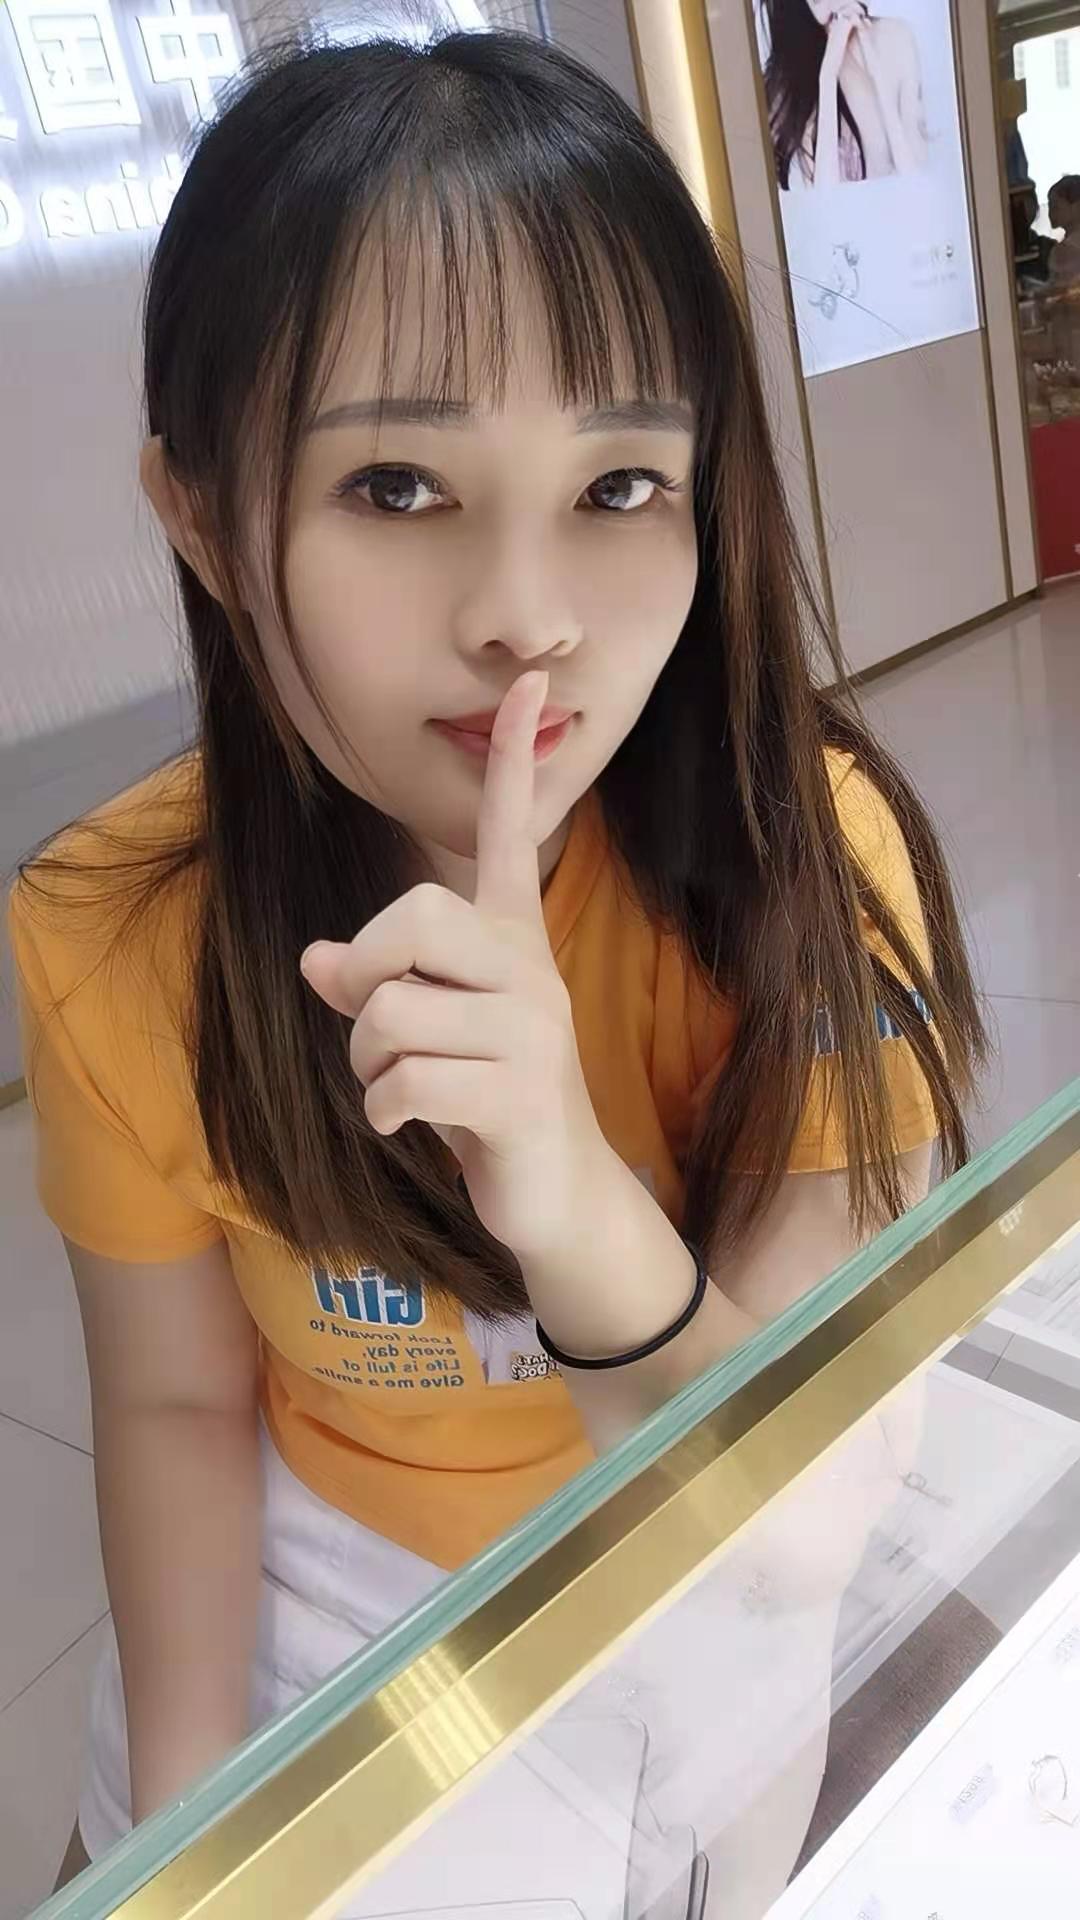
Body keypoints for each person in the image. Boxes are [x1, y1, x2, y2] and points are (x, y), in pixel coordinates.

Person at [10, 29, 984, 1899]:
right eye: (395, 486)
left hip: (703, 1531)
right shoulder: (116, 923)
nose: (528, 620)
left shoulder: (804, 861)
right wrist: (203, 1841)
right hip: (338, 1559)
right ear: (203, 519)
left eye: (619, 486)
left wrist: (567, 1190)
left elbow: (795, 1537)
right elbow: (177, 1406)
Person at [762, 0, 929, 189]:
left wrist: (878, 78)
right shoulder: (786, 83)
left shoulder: (896, 37)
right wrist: (828, 77)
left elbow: (917, 183)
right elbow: (823, 200)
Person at [1048, 173, 1080, 288]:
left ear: (1076, 207)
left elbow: (1060, 289)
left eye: (1055, 207)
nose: (1050, 213)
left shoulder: (1064, 251)